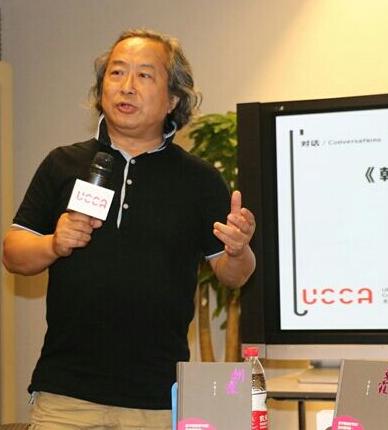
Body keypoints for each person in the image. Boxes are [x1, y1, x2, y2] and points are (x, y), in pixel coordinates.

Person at [2, 29, 256, 429]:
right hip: (66, 396)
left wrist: (239, 250)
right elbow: (14, 252)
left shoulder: (199, 179)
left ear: (173, 99)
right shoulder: (63, 164)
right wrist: (53, 243)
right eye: (117, 72)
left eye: (144, 75)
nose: (127, 86)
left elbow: (233, 274)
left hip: (156, 401)